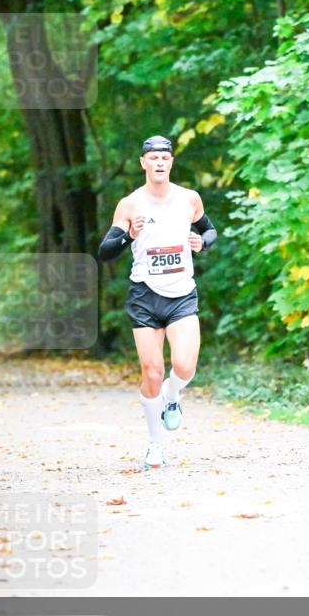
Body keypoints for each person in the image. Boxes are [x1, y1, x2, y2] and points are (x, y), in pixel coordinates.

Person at [97, 135, 217, 468]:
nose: (160, 162)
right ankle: (154, 445)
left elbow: (210, 232)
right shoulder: (130, 204)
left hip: (181, 293)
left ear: (171, 163)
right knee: (152, 372)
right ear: (143, 163)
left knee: (185, 366)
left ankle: (173, 397)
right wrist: (128, 235)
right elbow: (105, 252)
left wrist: (201, 244)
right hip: (145, 295)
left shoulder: (189, 199)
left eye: (165, 157)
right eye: (153, 157)